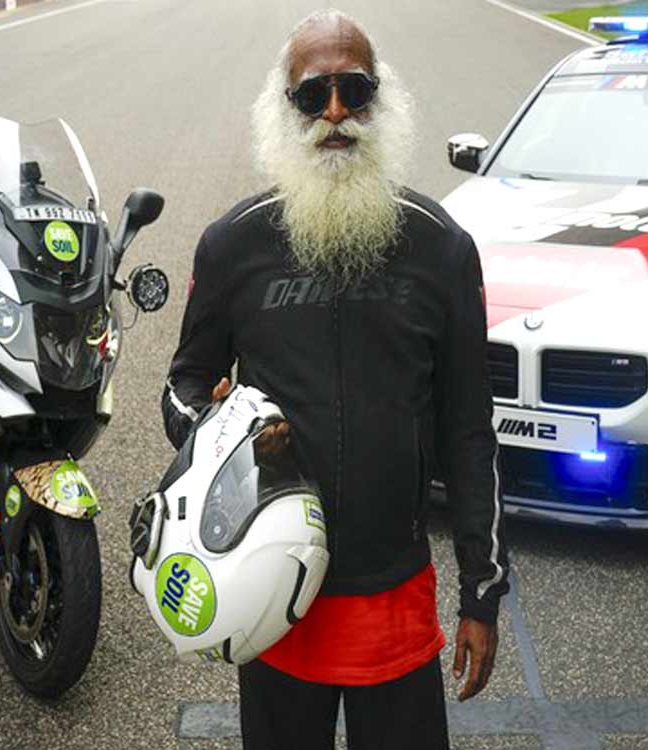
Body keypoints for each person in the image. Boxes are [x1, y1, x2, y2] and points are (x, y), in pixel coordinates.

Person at [160, 10, 508, 749]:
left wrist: (483, 591)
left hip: (395, 601)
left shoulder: (440, 249)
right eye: (313, 95)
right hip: (272, 594)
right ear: (283, 110)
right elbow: (182, 387)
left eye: (356, 90)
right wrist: (222, 433)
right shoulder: (233, 246)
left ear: (383, 101)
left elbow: (470, 430)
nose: (337, 112)